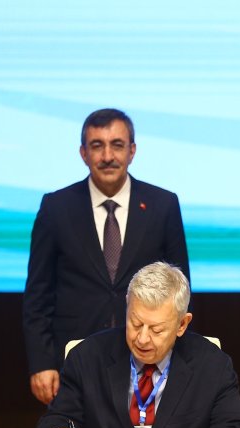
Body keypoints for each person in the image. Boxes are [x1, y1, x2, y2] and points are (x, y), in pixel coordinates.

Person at [23, 108, 190, 405]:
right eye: (97, 146)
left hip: (148, 357)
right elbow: (38, 293)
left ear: (132, 151)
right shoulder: (56, 207)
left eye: (117, 145)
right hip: (75, 358)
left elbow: (181, 289)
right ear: (83, 153)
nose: (108, 156)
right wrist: (42, 362)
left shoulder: (163, 205)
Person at [36, 262, 240, 428]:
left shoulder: (211, 363)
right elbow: (55, 421)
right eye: (135, 323)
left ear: (182, 324)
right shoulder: (87, 357)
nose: (142, 339)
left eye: (156, 330)